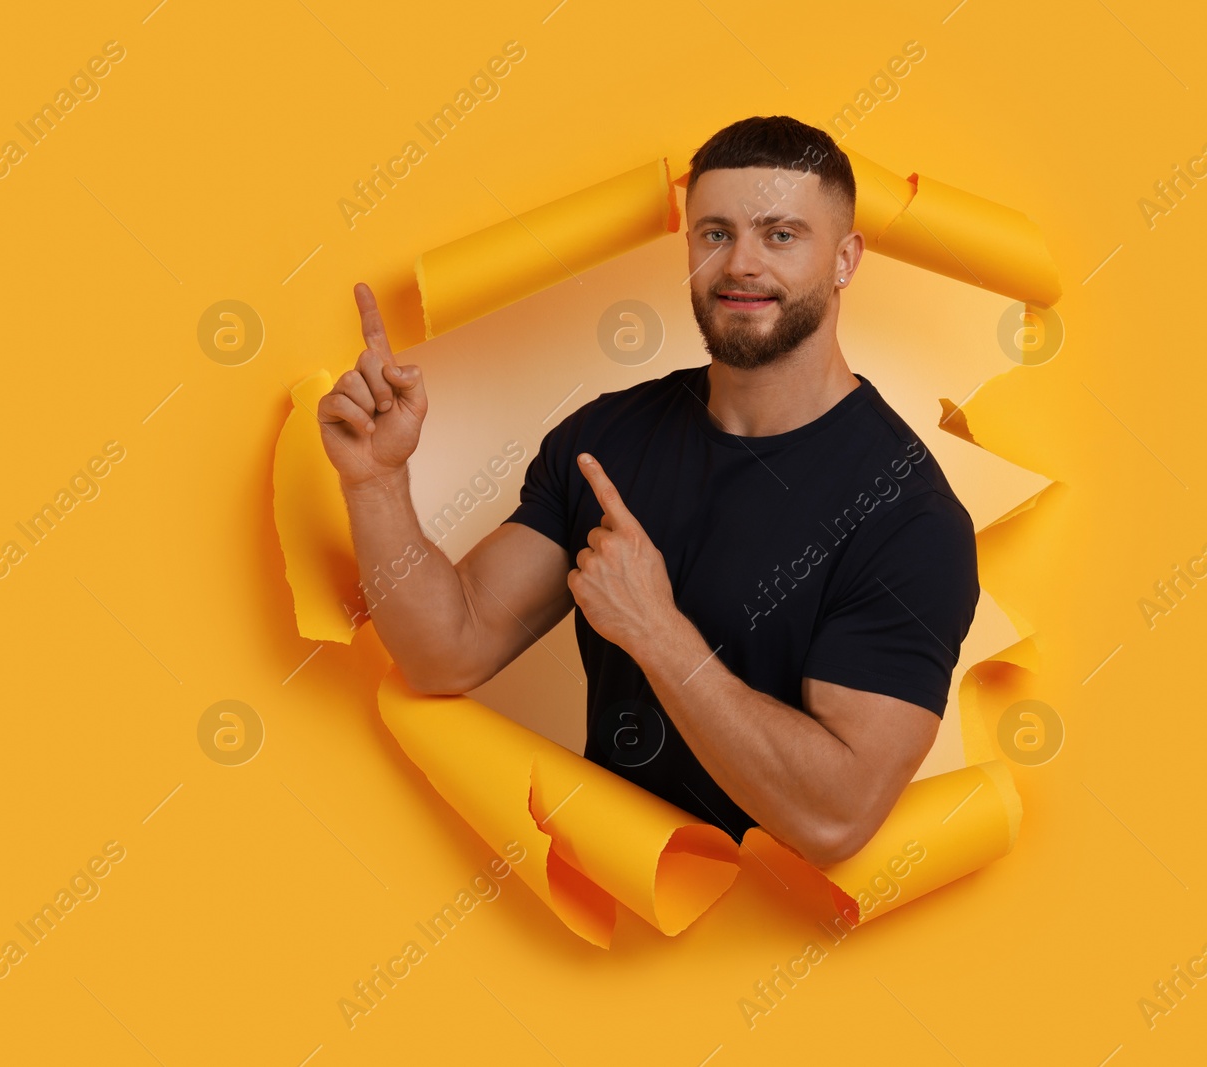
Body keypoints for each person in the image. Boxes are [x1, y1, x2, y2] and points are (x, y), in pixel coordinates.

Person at [316, 115, 980, 867]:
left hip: (779, 952)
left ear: (845, 259)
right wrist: (375, 481)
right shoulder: (610, 440)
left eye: (782, 235)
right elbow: (446, 648)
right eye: (715, 233)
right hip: (616, 916)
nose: (742, 265)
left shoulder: (909, 515)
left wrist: (657, 633)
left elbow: (834, 819)